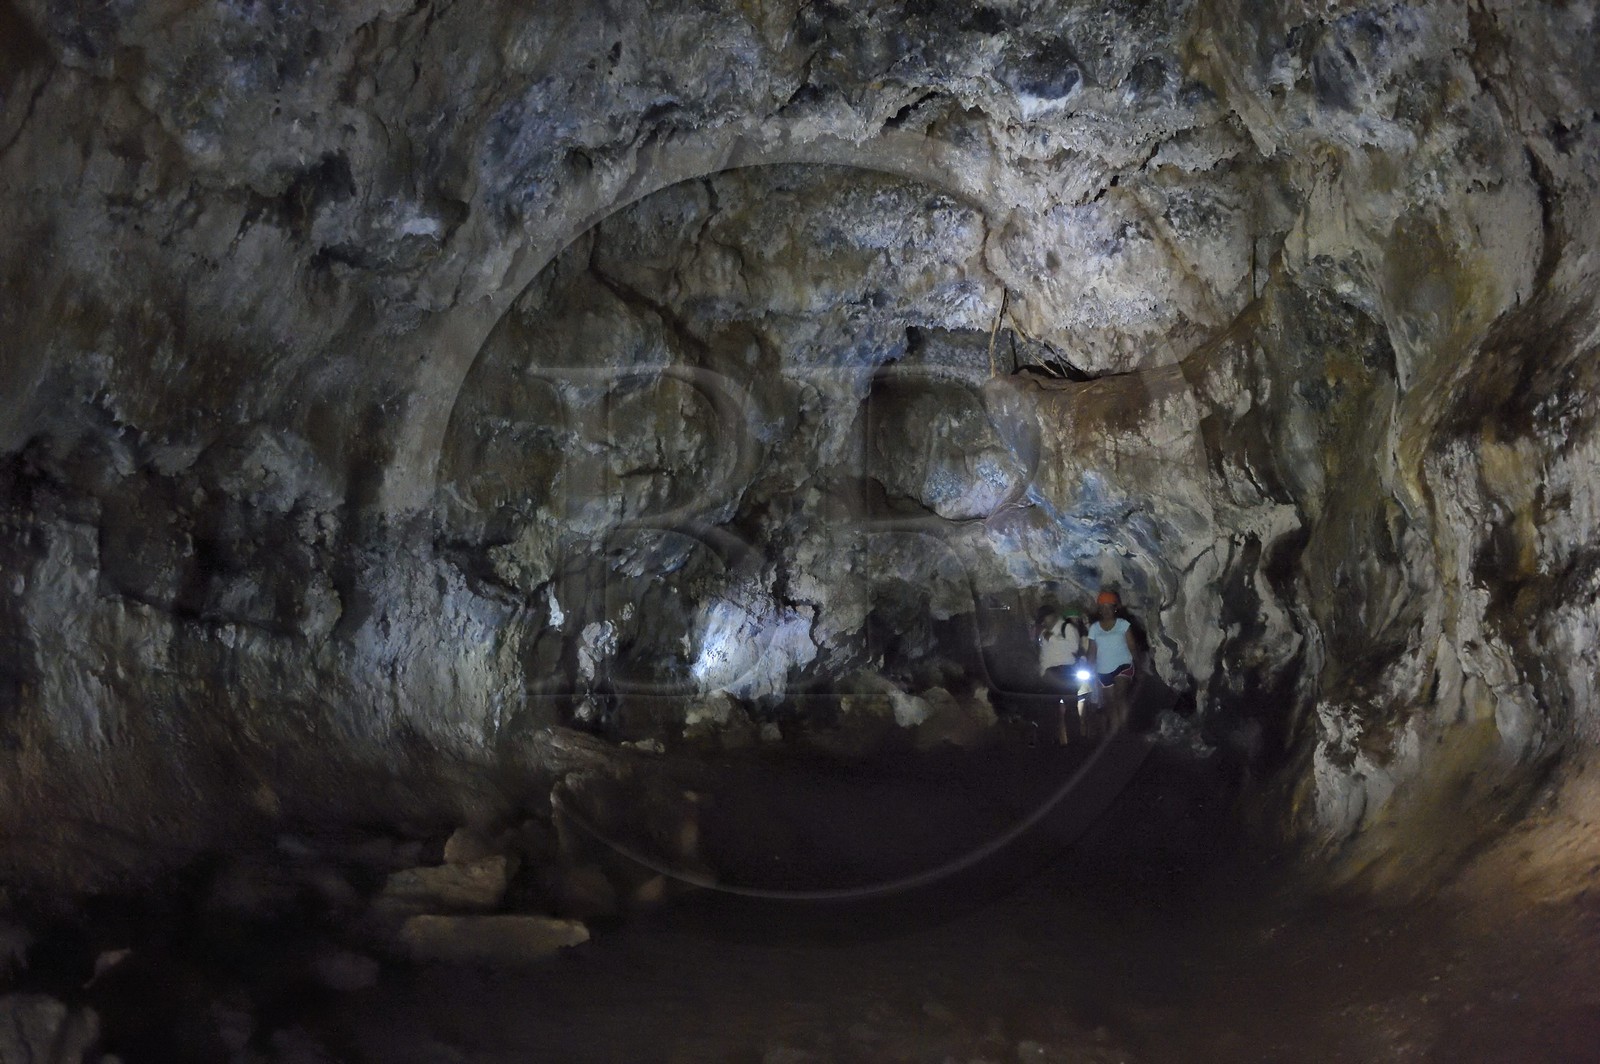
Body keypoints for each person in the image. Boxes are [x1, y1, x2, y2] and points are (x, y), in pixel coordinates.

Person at [1086, 590, 1136, 734]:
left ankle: (1125, 729)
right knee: (1110, 701)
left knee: (1120, 696)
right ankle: (1115, 732)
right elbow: (1092, 650)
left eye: (1109, 607)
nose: (1106, 610)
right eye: (1103, 607)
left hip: (1123, 665)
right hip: (1103, 669)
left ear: (1115, 608)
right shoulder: (1094, 628)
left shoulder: (1123, 624)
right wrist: (1090, 669)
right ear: (1099, 609)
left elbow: (1132, 646)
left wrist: (1137, 663)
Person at [1037, 607, 1086, 744]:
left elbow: (1073, 647)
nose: (1043, 623)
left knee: (1070, 707)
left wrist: (1052, 638)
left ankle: (1076, 741)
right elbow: (1044, 655)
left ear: (1053, 616)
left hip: (1065, 671)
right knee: (1050, 710)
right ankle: (1051, 743)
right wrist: (1042, 673)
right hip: (1050, 675)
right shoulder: (1044, 633)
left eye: (1044, 619)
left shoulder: (1067, 628)